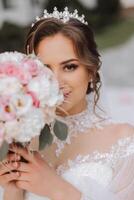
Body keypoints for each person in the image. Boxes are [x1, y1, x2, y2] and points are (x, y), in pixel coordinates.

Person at [0, 7, 134, 200]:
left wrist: (57, 189)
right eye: (44, 67)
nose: (55, 80)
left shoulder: (125, 141)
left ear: (91, 71)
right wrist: (12, 189)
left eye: (69, 66)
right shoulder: (18, 139)